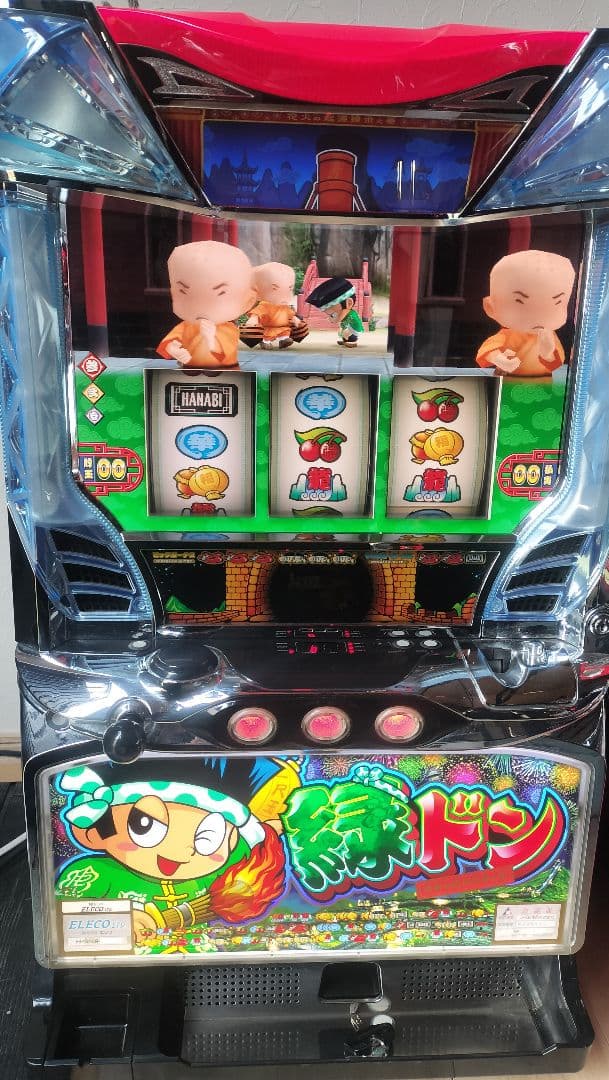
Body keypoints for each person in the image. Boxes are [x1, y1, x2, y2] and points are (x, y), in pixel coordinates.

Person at [54, 758, 299, 942]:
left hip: (211, 965)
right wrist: (119, 923)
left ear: (231, 840)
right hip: (118, 971)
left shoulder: (220, 872)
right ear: (93, 832)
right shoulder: (94, 873)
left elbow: (255, 866)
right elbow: (62, 924)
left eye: (207, 836)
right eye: (144, 825)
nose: (182, 852)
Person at [475, 249, 576, 377]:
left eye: (557, 301)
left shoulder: (549, 336)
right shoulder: (507, 335)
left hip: (542, 382)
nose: (538, 314)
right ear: (490, 307)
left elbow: (555, 363)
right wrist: (500, 359)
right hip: (509, 380)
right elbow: (488, 350)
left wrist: (548, 354)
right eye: (520, 301)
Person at [157, 240, 257, 369]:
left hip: (225, 372)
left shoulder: (229, 330)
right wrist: (174, 350)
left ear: (247, 301)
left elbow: (226, 353)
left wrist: (211, 340)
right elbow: (170, 342)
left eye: (220, 293)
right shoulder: (186, 326)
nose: (199, 306)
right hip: (189, 371)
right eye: (183, 292)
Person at [242, 262, 307, 349]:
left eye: (290, 288)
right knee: (267, 334)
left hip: (282, 327)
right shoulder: (264, 305)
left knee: (285, 332)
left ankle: (283, 339)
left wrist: (295, 319)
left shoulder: (284, 306)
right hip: (268, 328)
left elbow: (290, 314)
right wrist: (253, 320)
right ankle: (265, 341)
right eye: (274, 289)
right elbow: (256, 314)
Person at [306, 276, 364, 347]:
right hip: (347, 329)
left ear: (349, 303)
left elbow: (355, 323)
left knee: (347, 333)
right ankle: (345, 340)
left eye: (333, 315)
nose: (331, 319)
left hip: (354, 330)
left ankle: (351, 341)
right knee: (344, 332)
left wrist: (345, 328)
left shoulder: (352, 315)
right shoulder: (346, 315)